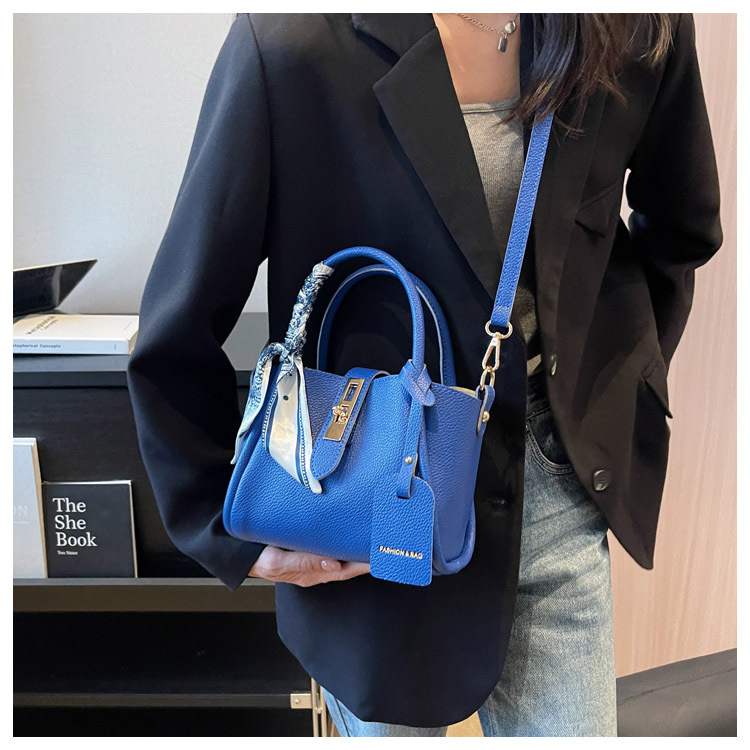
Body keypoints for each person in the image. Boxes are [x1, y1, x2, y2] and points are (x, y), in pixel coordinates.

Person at [126, 12, 722, 737]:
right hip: (365, 492)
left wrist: (607, 398)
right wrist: (226, 528)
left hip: (553, 495)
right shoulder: (292, 40)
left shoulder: (632, 26)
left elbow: (680, 225)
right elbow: (180, 322)